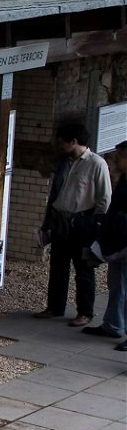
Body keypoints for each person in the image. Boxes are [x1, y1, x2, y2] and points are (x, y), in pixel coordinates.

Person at [35, 122, 112, 326]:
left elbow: (104, 198)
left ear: (74, 141)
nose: (60, 146)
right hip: (61, 219)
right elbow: (56, 191)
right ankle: (55, 306)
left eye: (62, 142)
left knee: (83, 269)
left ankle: (85, 311)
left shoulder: (97, 164)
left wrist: (93, 224)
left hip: (82, 220)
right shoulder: (64, 161)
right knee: (58, 267)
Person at [83, 139, 127, 349]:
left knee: (123, 287)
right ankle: (113, 324)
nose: (116, 161)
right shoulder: (124, 179)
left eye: (119, 156)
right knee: (116, 284)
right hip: (119, 242)